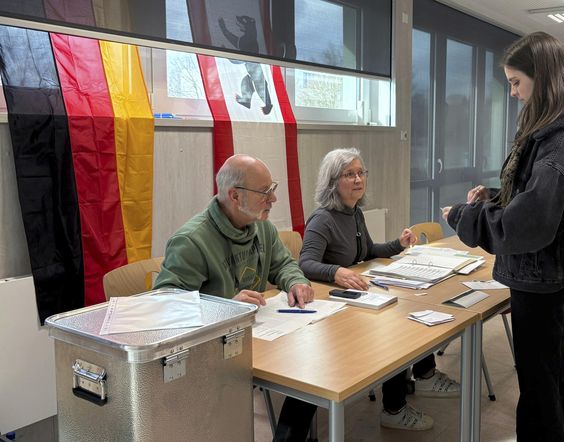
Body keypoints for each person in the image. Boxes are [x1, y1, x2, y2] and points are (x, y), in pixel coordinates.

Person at [442, 32, 564, 441]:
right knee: (551, 378)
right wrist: (496, 196)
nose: (512, 93)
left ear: (542, 77)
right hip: (545, 273)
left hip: (542, 276)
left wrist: (467, 216)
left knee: (539, 390)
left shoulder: (559, 136)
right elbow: (540, 197)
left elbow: (529, 223)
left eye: (516, 82)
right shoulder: (559, 128)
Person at [153, 154, 315, 442]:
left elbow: (284, 264)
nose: (274, 198)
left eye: (272, 188)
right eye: (265, 192)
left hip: (258, 336)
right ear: (234, 196)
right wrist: (225, 307)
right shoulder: (191, 241)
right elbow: (165, 305)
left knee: (313, 364)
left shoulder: (262, 227)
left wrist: (296, 281)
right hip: (210, 350)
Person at [299, 147, 460, 431]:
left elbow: (368, 251)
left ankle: (424, 374)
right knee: (395, 329)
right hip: (332, 307)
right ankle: (394, 409)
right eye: (349, 174)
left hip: (358, 295)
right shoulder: (322, 219)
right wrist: (335, 271)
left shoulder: (355, 213)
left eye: (361, 173)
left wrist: (398, 244)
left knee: (409, 308)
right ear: (332, 181)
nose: (358, 179)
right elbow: (306, 263)